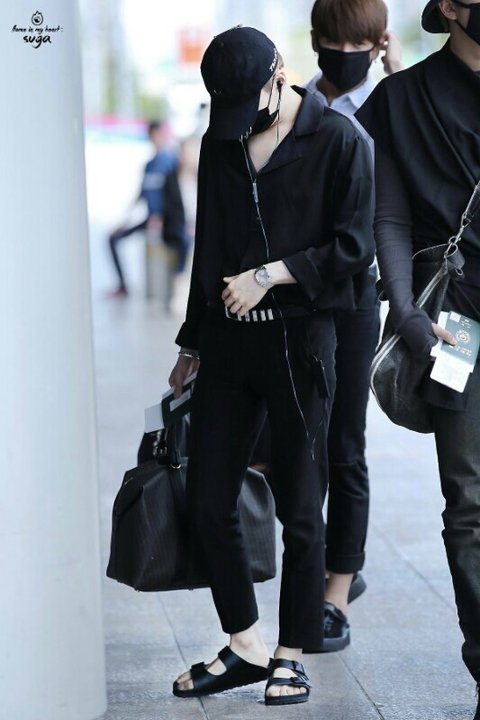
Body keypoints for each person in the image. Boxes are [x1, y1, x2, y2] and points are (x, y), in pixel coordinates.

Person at [168, 26, 374, 705]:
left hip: (300, 343)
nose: (237, 120)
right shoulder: (222, 139)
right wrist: (191, 343)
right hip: (228, 345)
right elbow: (208, 244)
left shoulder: (339, 141)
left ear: (279, 73)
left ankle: (292, 653)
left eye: (247, 102)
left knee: (301, 504)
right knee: (209, 498)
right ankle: (246, 644)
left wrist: (271, 273)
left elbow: (354, 248)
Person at [356, 2, 480, 717]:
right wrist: (404, 311)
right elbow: (391, 214)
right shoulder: (404, 100)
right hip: (456, 323)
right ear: (452, 9)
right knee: (469, 500)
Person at [303, 0, 403, 652]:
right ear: (316, 40)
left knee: (344, 441)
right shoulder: (298, 105)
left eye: (357, 44)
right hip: (298, 290)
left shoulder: (391, 103)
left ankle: (336, 590)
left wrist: (394, 73)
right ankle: (324, 564)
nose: (345, 55)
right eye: (334, 43)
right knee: (297, 442)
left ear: (378, 42)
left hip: (357, 293)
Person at [107, 120, 178, 297]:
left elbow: (175, 196)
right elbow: (141, 195)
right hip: (150, 219)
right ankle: (123, 285)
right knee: (113, 238)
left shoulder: (171, 162)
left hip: (169, 220)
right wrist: (125, 221)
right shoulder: (149, 166)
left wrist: (162, 217)